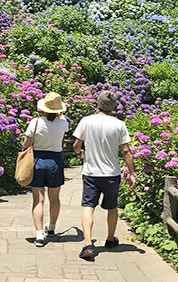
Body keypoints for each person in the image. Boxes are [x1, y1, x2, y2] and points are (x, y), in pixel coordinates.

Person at [72, 90, 137, 260]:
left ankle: (87, 243)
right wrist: (132, 173)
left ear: (97, 103)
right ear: (114, 107)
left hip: (91, 172)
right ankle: (110, 239)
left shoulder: (86, 121)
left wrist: (80, 153)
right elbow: (126, 151)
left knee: (88, 206)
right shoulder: (119, 124)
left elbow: (76, 145)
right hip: (111, 173)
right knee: (112, 206)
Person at [24, 92, 69, 247]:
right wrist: (60, 114)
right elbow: (62, 120)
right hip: (55, 161)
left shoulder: (35, 122)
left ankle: (38, 234)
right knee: (54, 198)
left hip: (37, 160)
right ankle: (51, 227)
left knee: (38, 199)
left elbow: (26, 144)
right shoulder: (63, 124)